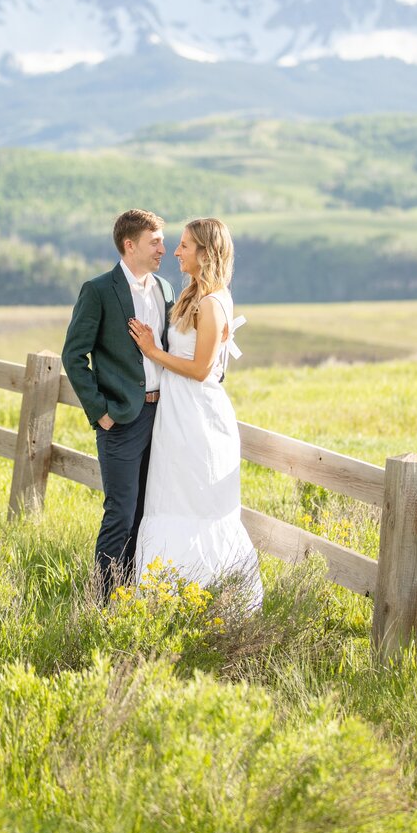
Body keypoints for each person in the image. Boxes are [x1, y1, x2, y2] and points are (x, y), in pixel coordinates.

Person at [128, 217, 262, 607]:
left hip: (198, 418)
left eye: (185, 245)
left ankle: (210, 597)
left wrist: (154, 352)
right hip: (176, 415)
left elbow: (203, 370)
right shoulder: (192, 295)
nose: (176, 251)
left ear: (205, 252)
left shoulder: (212, 303)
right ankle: (166, 596)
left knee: (196, 505)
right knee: (168, 499)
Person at [61, 209, 175, 598]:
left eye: (162, 240)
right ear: (130, 245)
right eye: (154, 241)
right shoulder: (97, 290)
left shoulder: (164, 289)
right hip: (122, 420)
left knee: (147, 512)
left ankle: (129, 596)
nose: (164, 248)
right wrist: (101, 413)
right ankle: (102, 601)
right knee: (121, 515)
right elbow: (73, 355)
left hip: (162, 416)